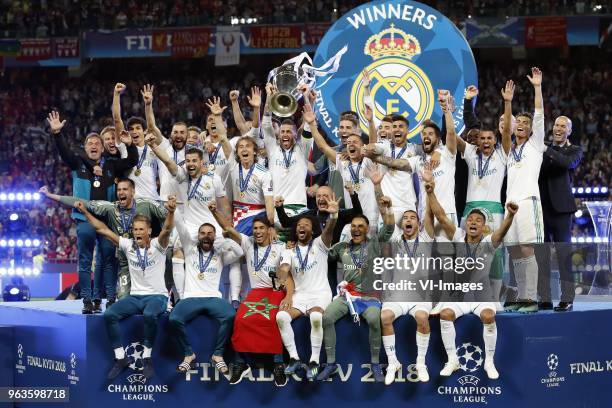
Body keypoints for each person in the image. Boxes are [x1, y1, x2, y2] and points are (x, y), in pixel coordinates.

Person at [426, 170, 518, 380]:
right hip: (460, 297)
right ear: (465, 224)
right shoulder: (458, 236)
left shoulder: (488, 244)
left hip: (481, 297)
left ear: (484, 227)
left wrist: (510, 216)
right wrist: (431, 193)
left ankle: (489, 362)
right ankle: (452, 360)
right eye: (470, 219)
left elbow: (501, 233)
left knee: (488, 316)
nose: (473, 222)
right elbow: (440, 215)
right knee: (446, 314)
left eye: (479, 220)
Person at [76, 196, 175, 380]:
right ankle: (121, 358)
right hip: (135, 297)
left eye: (141, 230)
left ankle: (147, 358)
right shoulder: (128, 245)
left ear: (149, 231)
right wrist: (85, 212)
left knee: (150, 315)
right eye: (135, 229)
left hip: (157, 297)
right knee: (109, 314)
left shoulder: (158, 245)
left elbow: (168, 228)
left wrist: (171, 211)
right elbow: (102, 229)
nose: (137, 232)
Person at [49, 110, 138, 313]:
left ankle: (110, 300)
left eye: (97, 143)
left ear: (102, 148)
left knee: (108, 260)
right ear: (85, 148)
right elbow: (63, 151)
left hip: (107, 222)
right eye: (90, 143)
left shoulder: (111, 166)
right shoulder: (77, 163)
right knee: (85, 260)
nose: (94, 145)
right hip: (84, 219)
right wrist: (57, 134)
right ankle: (87, 300)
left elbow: (131, 161)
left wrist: (130, 145)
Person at [318, 169, 395, 382]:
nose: (357, 229)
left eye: (361, 226)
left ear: (368, 229)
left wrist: (387, 209)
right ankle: (331, 363)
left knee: (373, 318)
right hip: (348, 297)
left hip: (370, 297)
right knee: (326, 317)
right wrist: (333, 217)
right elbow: (323, 248)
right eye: (353, 226)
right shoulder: (341, 247)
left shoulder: (375, 245)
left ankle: (375, 363)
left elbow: (389, 228)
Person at [39, 178, 168, 303]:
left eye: (125, 189)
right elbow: (80, 202)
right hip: (125, 263)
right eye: (118, 190)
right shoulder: (111, 208)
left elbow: (168, 216)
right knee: (123, 300)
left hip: (148, 261)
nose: (121, 192)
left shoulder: (147, 205)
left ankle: (170, 299)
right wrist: (50, 195)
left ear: (133, 192)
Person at [209, 204, 289, 387]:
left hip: (275, 291)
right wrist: (214, 211)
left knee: (272, 320)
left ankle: (278, 363)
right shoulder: (248, 242)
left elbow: (286, 266)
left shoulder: (281, 246)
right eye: (255, 229)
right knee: (240, 320)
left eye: (262, 228)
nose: (258, 232)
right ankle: (240, 362)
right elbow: (228, 228)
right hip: (256, 293)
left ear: (270, 230)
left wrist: (282, 280)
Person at [453, 81, 514, 305]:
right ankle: (464, 294)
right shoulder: (470, 153)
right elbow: (452, 136)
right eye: (483, 138)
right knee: (463, 252)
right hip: (470, 207)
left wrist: (507, 103)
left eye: (490, 138)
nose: (486, 141)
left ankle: (495, 298)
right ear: (477, 140)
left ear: (496, 141)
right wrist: (449, 112)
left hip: (494, 209)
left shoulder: (502, 155)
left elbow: (507, 129)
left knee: (496, 255)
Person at [168, 206, 243, 375]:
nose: (206, 236)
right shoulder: (189, 248)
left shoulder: (220, 254)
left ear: (215, 237)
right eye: (203, 233)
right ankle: (188, 354)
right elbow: (180, 225)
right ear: (197, 236)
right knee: (174, 319)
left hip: (213, 298)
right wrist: (174, 210)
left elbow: (239, 251)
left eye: (210, 233)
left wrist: (222, 240)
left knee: (230, 315)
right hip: (191, 298)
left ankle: (218, 355)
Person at [381, 168, 437, 385]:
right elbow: (388, 220)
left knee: (422, 319)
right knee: (385, 318)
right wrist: (385, 206)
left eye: (413, 217)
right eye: (405, 218)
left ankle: (420, 363)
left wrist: (430, 190)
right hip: (398, 295)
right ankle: (393, 362)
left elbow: (430, 215)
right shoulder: (395, 238)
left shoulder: (425, 237)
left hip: (420, 296)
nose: (409, 220)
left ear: (418, 224)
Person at [274, 194, 339, 380]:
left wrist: (333, 217)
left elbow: (329, 231)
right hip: (300, 296)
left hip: (320, 294)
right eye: (299, 225)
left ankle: (314, 361)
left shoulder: (320, 244)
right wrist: (282, 276)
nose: (302, 226)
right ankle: (294, 358)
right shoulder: (289, 250)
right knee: (281, 317)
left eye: (307, 225)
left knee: (317, 316)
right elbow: (285, 269)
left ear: (313, 230)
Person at [502, 67, 546, 313]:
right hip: (511, 204)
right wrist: (508, 104)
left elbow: (539, 114)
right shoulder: (510, 149)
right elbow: (506, 125)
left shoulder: (535, 145)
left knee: (528, 249)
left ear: (530, 130)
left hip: (529, 201)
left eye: (525, 123)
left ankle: (531, 298)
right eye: (518, 122)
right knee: (515, 251)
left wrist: (537, 87)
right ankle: (521, 296)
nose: (521, 125)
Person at [306, 105, 380, 233]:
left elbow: (373, 142)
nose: (350, 144)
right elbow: (323, 146)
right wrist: (312, 124)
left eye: (354, 142)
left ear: (363, 146)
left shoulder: (368, 161)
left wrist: (370, 121)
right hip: (351, 219)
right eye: (349, 142)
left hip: (371, 218)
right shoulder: (343, 163)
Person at [536, 115, 583, 311]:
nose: (559, 128)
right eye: (556, 125)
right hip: (540, 208)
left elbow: (567, 164)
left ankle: (567, 298)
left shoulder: (575, 150)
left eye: (563, 126)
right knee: (542, 256)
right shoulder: (542, 148)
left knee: (564, 255)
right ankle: (545, 298)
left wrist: (547, 149)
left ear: (569, 131)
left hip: (562, 211)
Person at [112, 82, 162, 201]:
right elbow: (117, 120)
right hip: (131, 201)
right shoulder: (124, 147)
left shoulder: (153, 148)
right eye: (131, 129)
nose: (134, 132)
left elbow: (151, 125)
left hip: (152, 199)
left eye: (138, 128)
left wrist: (148, 104)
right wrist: (116, 95)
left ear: (144, 132)